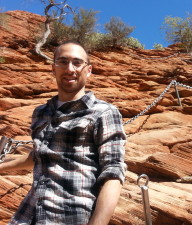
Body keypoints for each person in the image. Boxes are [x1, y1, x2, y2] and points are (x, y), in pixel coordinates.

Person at [0, 40, 127, 225]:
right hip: (27, 215)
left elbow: (113, 171)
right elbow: (38, 156)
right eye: (62, 62)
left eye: (77, 62)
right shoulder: (41, 112)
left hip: (70, 216)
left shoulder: (104, 112)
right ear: (53, 69)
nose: (70, 69)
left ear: (89, 70)